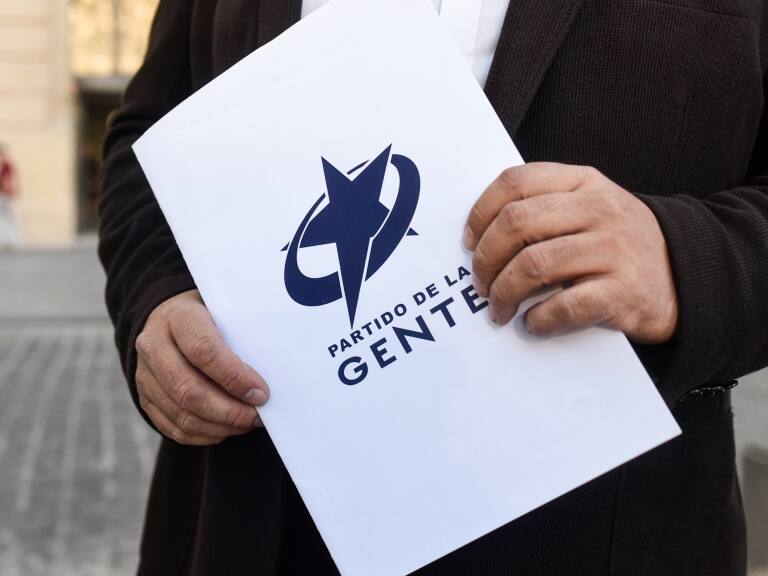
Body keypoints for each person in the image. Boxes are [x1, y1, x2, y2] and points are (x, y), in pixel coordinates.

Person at [99, 1, 768, 574]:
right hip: (257, 514)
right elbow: (143, 135)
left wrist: (684, 260)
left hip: (602, 524)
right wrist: (155, 293)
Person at [0, 144, 21, 249]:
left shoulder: (8, 166)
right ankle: (4, 240)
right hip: (2, 195)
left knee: (10, 218)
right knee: (2, 219)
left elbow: (12, 180)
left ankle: (14, 241)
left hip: (7, 195)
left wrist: (14, 191)